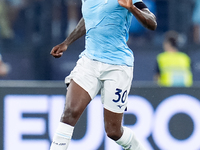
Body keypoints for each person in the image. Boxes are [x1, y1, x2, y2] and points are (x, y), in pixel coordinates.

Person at [50, 0, 157, 149]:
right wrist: (67, 42)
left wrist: (132, 8)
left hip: (117, 66)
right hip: (89, 62)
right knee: (69, 112)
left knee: (114, 131)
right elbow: (90, 18)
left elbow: (151, 23)